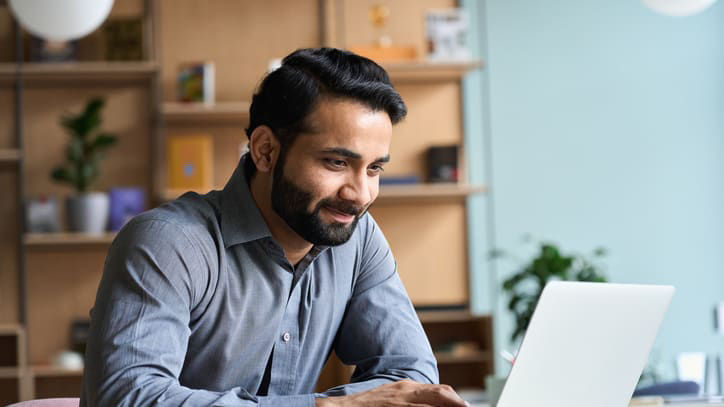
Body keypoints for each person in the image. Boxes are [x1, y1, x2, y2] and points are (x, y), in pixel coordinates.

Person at [81, 48, 468, 407]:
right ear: (265, 150)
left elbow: (411, 376)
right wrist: (327, 406)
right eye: (336, 162)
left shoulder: (358, 238)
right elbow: (126, 398)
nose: (360, 194)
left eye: (374, 168)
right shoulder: (170, 243)